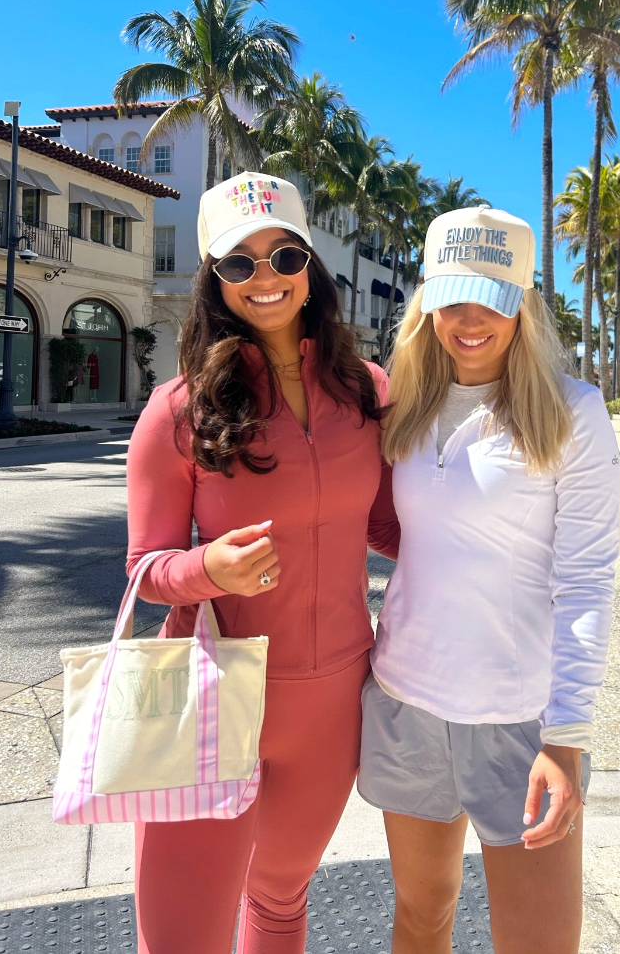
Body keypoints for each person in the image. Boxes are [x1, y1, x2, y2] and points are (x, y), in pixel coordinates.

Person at [126, 172, 399, 954]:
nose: (266, 278)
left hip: (333, 700)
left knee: (279, 904)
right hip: (211, 695)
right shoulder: (179, 410)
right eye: (238, 265)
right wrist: (207, 568)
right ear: (215, 281)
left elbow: (383, 523)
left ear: (310, 263)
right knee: (182, 938)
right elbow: (146, 567)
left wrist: (491, 545)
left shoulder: (366, 391)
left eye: (282, 255)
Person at [359, 206, 620, 954]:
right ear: (428, 303)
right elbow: (398, 532)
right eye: (452, 297)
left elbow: (587, 579)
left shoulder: (574, 413)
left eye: (493, 299)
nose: (470, 319)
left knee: (538, 944)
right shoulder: (402, 409)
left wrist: (566, 738)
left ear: (523, 305)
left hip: (521, 723)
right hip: (406, 702)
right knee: (420, 917)